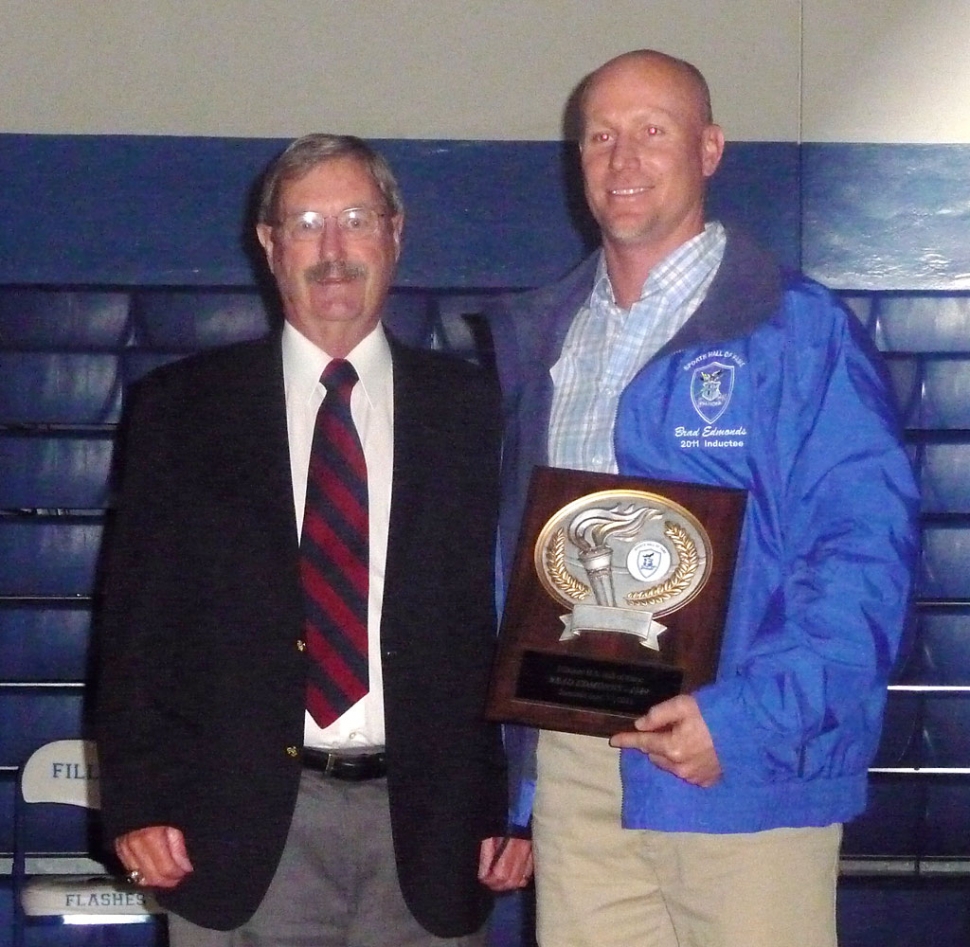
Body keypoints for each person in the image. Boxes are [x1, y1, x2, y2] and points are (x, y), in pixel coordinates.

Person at [488, 50, 919, 947]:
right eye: (599, 136)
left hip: (739, 763)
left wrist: (747, 718)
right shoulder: (549, 338)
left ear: (710, 149)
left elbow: (862, 559)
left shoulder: (800, 333)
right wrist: (523, 762)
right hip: (580, 767)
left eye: (654, 132)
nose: (622, 159)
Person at [95, 133, 531, 947]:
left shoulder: (479, 413)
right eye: (305, 223)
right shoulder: (181, 411)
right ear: (269, 245)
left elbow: (517, 618)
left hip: (433, 836)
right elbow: (136, 630)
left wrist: (521, 805)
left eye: (356, 219)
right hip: (237, 830)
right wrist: (140, 800)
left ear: (396, 232)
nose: (333, 250)